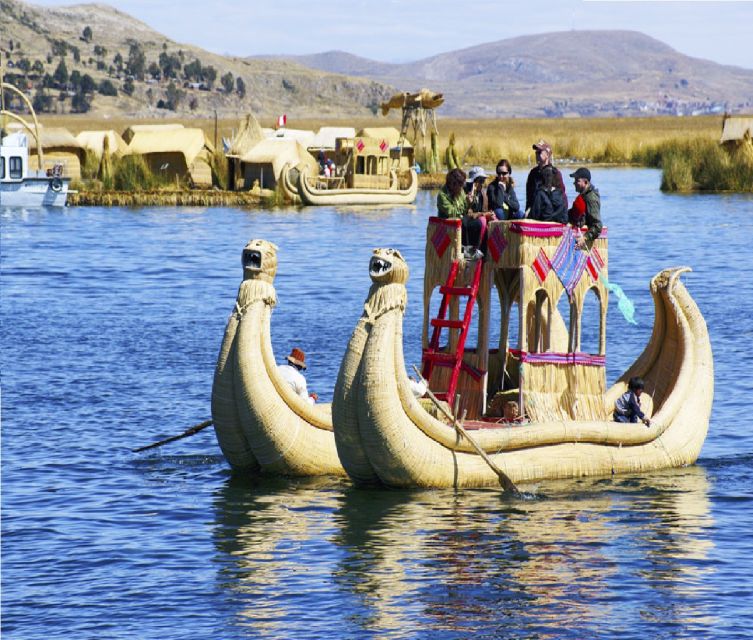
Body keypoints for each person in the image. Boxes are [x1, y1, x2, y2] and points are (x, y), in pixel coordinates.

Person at [436, 167, 485, 260]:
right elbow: (452, 212)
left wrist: (469, 202)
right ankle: (465, 250)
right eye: (460, 185)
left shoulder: (460, 191)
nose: (462, 187)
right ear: (453, 184)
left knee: (477, 224)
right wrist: (466, 204)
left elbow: (465, 210)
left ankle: (473, 249)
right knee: (463, 222)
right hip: (447, 224)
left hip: (460, 219)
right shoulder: (442, 195)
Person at [525, 139, 568, 215]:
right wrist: (527, 211)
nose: (537, 155)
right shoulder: (533, 173)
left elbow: (562, 197)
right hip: (535, 212)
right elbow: (529, 197)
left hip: (551, 213)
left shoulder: (555, 173)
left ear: (547, 155)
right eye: (536, 153)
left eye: (539, 152)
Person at [570, 167, 602, 249]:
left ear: (585, 182)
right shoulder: (583, 196)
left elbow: (597, 226)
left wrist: (584, 238)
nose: (574, 183)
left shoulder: (591, 198)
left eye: (577, 181)